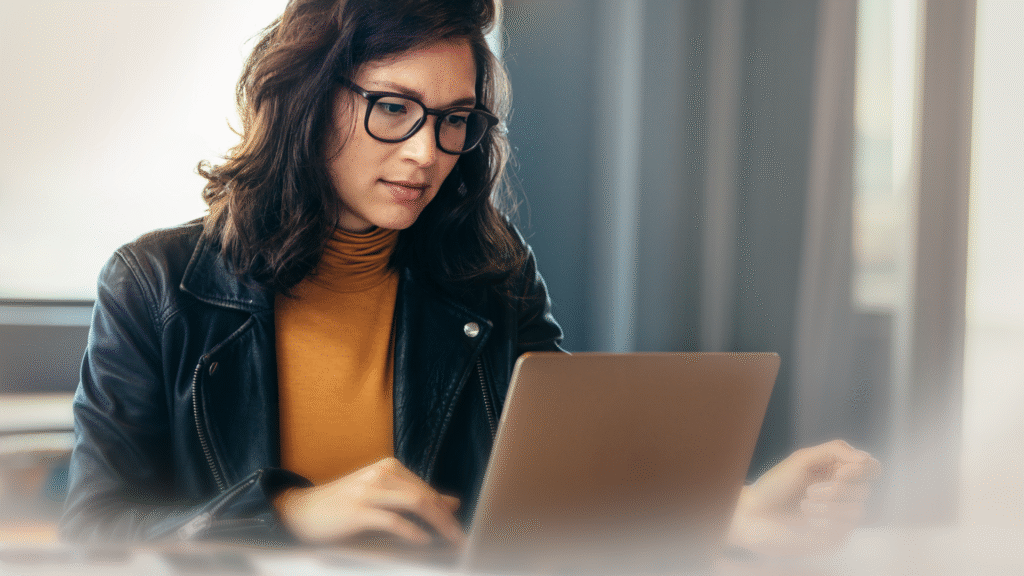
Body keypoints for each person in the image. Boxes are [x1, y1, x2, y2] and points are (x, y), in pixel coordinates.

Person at [60, 0, 879, 557]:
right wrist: (285, 514)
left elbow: (565, 485)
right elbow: (94, 533)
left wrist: (731, 511)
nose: (426, 152)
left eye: (455, 120)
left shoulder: (489, 272)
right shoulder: (156, 284)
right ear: (307, 99)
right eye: (393, 108)